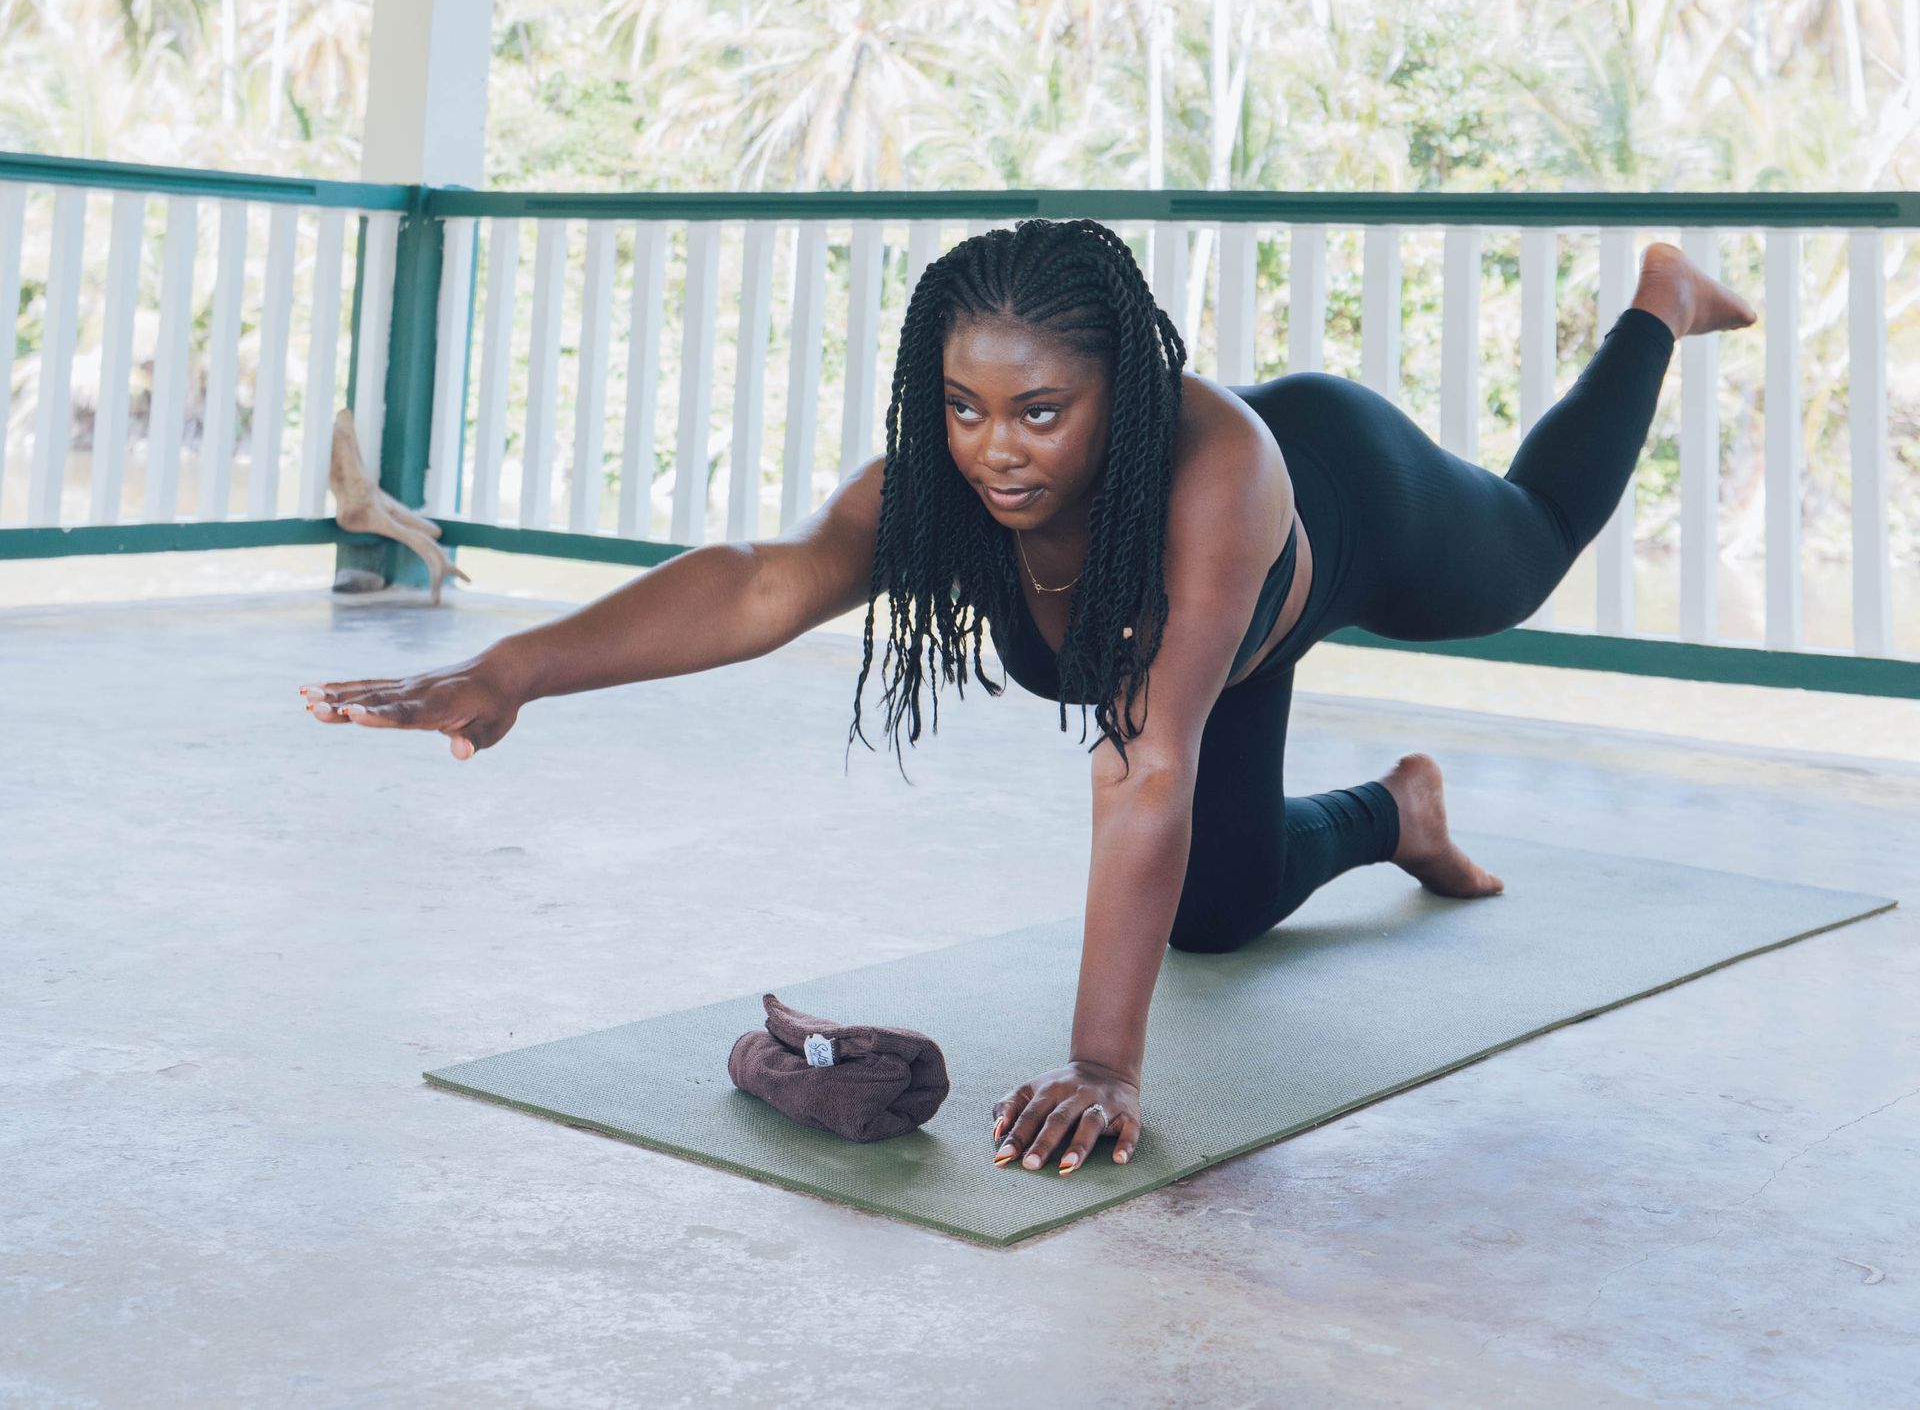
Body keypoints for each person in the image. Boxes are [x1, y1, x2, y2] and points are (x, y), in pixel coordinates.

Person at [301, 217, 1754, 1182]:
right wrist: (514, 668)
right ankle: (1401, 808)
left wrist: (1102, 1063)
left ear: (1124, 388)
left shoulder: (1220, 471)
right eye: (964, 404)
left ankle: (1657, 303)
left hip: (1346, 503)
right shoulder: (945, 482)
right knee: (1217, 912)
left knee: (1526, 557)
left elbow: (1143, 761)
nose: (996, 450)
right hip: (1202, 660)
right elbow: (765, 581)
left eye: (1041, 411)